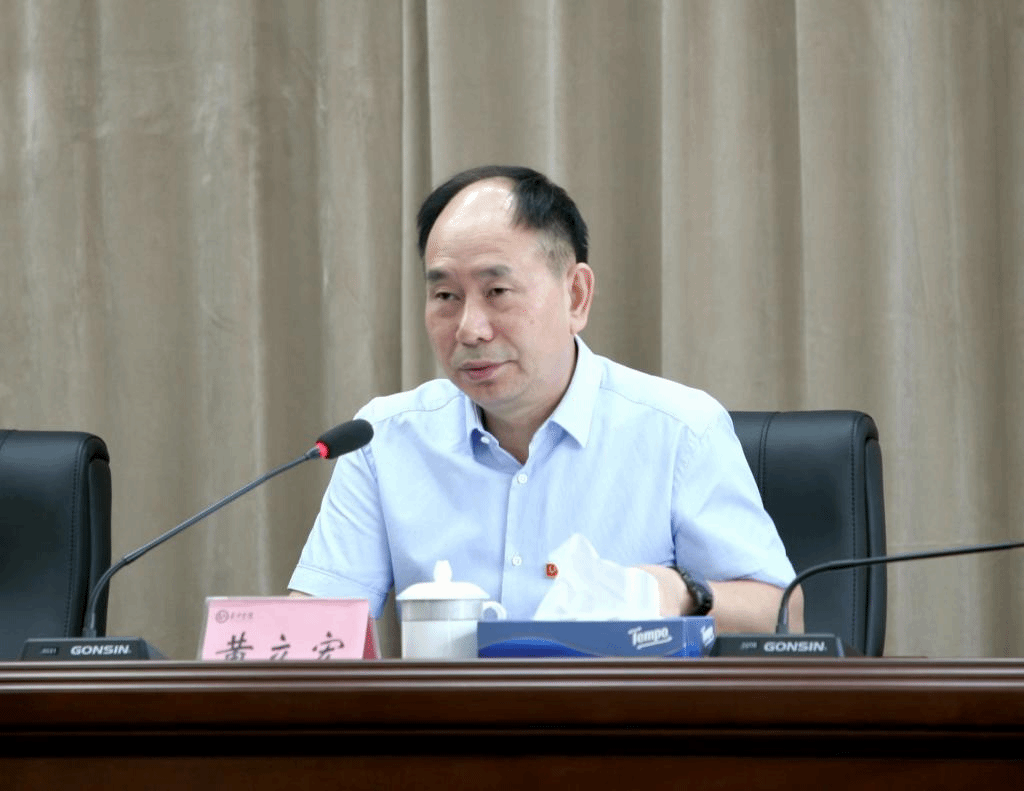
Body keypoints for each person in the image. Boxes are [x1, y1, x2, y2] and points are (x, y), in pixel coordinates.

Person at [289, 165, 803, 634]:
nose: (469, 329)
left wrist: (681, 592)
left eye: (497, 292)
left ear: (576, 296)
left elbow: (783, 614)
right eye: (445, 296)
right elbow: (313, 637)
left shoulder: (681, 431)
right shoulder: (382, 440)